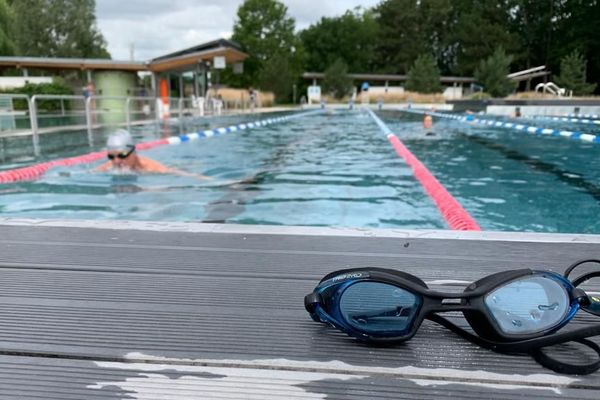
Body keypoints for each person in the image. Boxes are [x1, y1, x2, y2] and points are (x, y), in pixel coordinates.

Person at [96, 130, 211, 179]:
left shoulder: (149, 166)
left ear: (133, 152)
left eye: (122, 156)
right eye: (111, 156)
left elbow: (174, 172)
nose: (116, 161)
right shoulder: (109, 166)